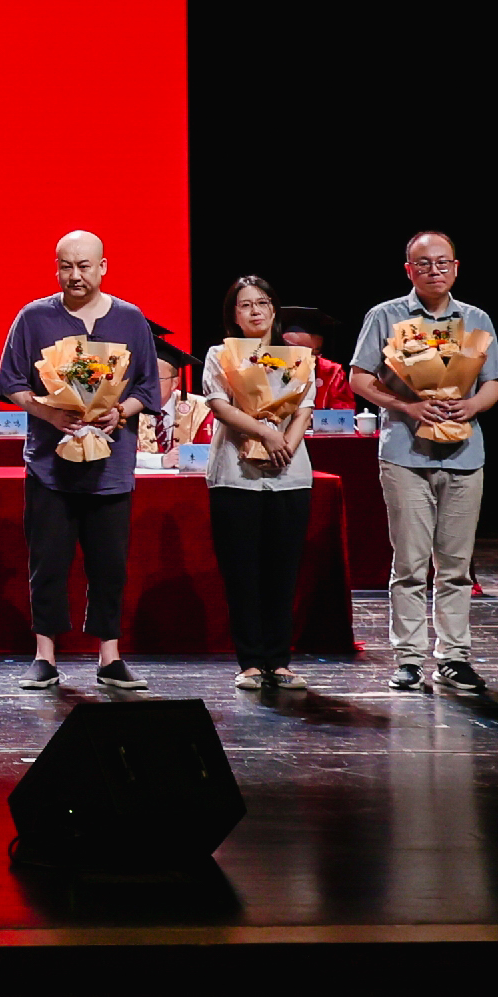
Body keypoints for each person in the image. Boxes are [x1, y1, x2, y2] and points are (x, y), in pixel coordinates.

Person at [0, 230, 167, 693]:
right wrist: (49, 412)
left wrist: (120, 411)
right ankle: (44, 656)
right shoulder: (34, 317)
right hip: (50, 467)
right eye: (66, 266)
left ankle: (110, 656)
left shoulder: (130, 319)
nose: (75, 275)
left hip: (111, 468)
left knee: (110, 565)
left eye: (84, 266)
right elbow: (11, 382)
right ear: (56, 268)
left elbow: (147, 388)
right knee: (47, 562)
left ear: (103, 267)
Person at [351, 230, 498, 696]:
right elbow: (359, 378)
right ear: (409, 270)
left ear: (456, 267)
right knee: (410, 562)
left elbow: (494, 382)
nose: (434, 271)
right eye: (423, 264)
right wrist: (409, 406)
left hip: (464, 453)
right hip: (405, 453)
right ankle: (408, 658)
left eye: (442, 263)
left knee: (456, 565)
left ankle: (454, 657)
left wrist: (472, 405)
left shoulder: (475, 319)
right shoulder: (385, 315)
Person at [198, 273, 314, 691]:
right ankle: (249, 662)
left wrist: (285, 445)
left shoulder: (295, 356)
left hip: (289, 475)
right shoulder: (220, 355)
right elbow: (219, 406)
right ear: (234, 315)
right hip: (235, 475)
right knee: (241, 572)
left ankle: (279, 661)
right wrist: (266, 433)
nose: (255, 311)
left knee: (283, 572)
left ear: (273, 309)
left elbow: (304, 407)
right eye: (245, 305)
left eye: (262, 303)